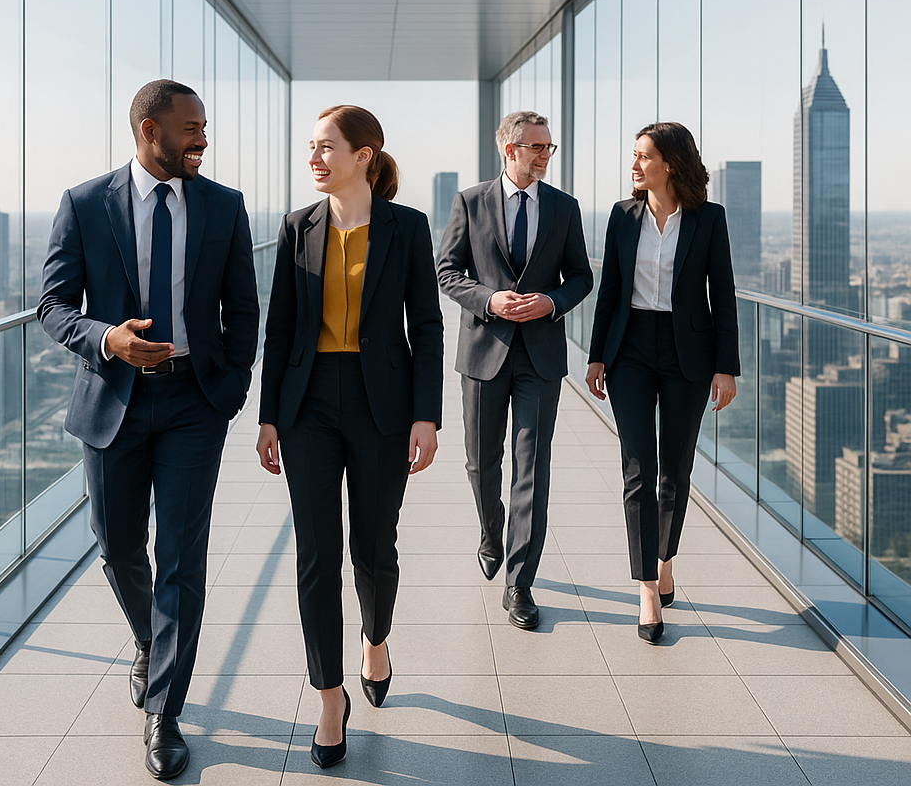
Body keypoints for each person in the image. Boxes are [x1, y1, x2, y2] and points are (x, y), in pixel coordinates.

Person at [38, 79, 259, 779]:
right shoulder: (83, 203)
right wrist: (109, 340)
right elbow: (51, 304)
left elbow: (243, 309)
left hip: (196, 403)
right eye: (190, 127)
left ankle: (165, 712)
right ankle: (149, 639)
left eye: (204, 127)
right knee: (118, 544)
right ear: (147, 129)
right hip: (114, 402)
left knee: (182, 560)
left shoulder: (224, 204)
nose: (202, 138)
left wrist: (231, 389)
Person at [256, 105, 442, 769]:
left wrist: (428, 414)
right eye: (311, 146)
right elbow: (279, 328)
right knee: (315, 556)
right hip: (307, 406)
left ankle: (376, 639)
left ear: (364, 155)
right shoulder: (295, 227)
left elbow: (426, 325)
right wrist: (268, 415)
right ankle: (329, 697)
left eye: (327, 146)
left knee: (374, 548)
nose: (315, 157)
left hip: (382, 406)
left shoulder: (408, 228)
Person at [437, 111, 592, 630]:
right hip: (484, 350)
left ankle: (519, 583)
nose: (546, 154)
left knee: (532, 467)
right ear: (510, 149)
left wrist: (550, 301)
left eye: (550, 146)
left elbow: (582, 277)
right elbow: (447, 271)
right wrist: (489, 299)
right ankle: (489, 531)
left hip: (541, 355)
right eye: (537, 147)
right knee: (483, 462)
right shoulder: (470, 201)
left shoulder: (564, 207)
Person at [585, 122, 739, 643]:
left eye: (642, 156)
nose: (634, 165)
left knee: (675, 466)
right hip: (630, 349)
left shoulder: (707, 219)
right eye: (634, 156)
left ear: (668, 163)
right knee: (637, 467)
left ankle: (665, 556)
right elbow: (610, 289)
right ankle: (648, 587)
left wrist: (727, 366)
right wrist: (597, 355)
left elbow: (725, 294)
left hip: (687, 353)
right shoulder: (622, 216)